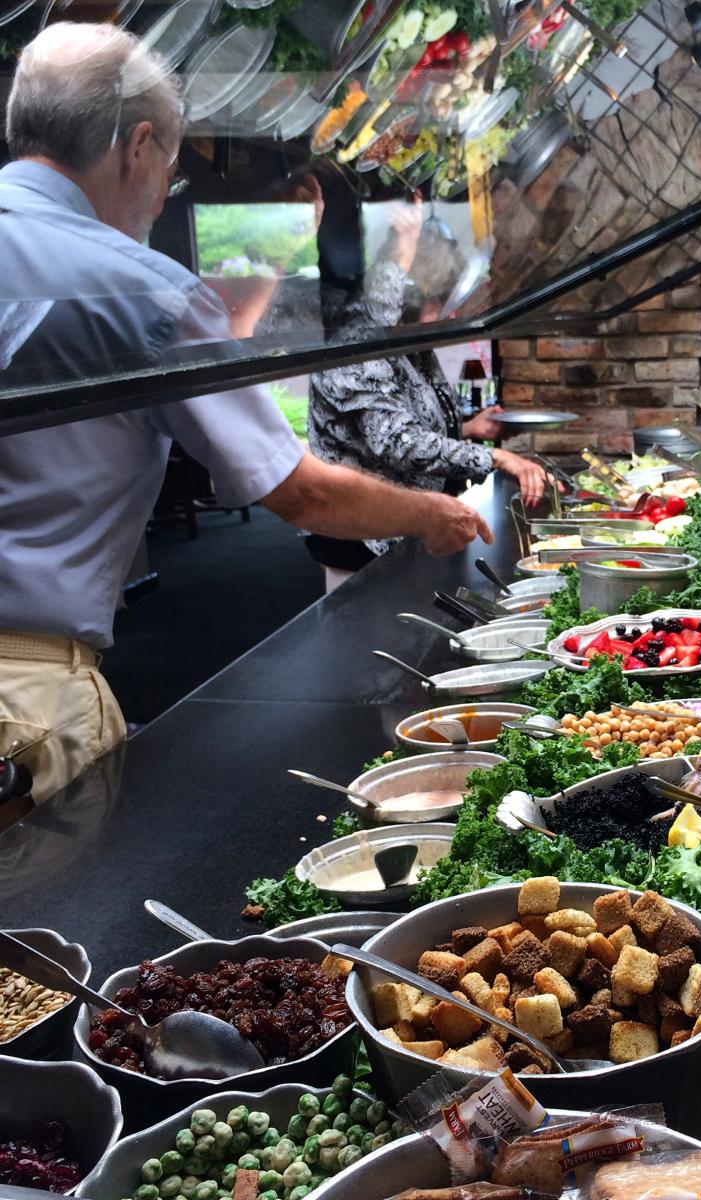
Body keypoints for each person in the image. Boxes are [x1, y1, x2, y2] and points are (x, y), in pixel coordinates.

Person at [0, 23, 493, 802]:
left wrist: (268, 259)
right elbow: (300, 492)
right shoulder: (139, 288)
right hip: (21, 696)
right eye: (168, 167)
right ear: (137, 146)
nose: (164, 191)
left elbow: (195, 355)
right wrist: (432, 515)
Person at [304, 198, 551, 590]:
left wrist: (469, 429)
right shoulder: (355, 346)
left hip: (414, 526)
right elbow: (399, 443)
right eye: (440, 301)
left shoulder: (407, 341)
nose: (448, 313)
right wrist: (496, 458)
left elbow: (411, 418)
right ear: (412, 297)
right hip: (362, 538)